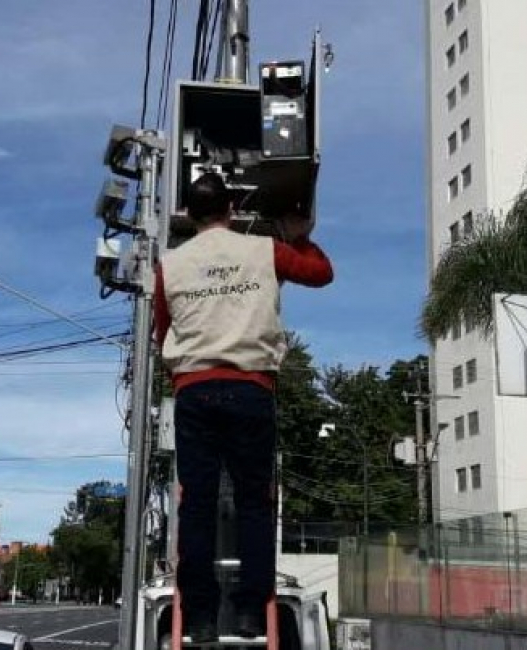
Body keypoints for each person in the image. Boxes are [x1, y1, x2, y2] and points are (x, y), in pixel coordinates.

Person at [154, 172, 334, 642]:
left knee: (196, 506)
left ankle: (198, 618)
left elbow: (161, 331)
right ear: (231, 210)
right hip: (251, 388)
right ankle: (253, 612)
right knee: (255, 503)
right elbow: (320, 274)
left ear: (189, 216)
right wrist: (302, 238)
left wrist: (188, 366)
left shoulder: (169, 265)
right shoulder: (263, 251)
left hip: (194, 389)